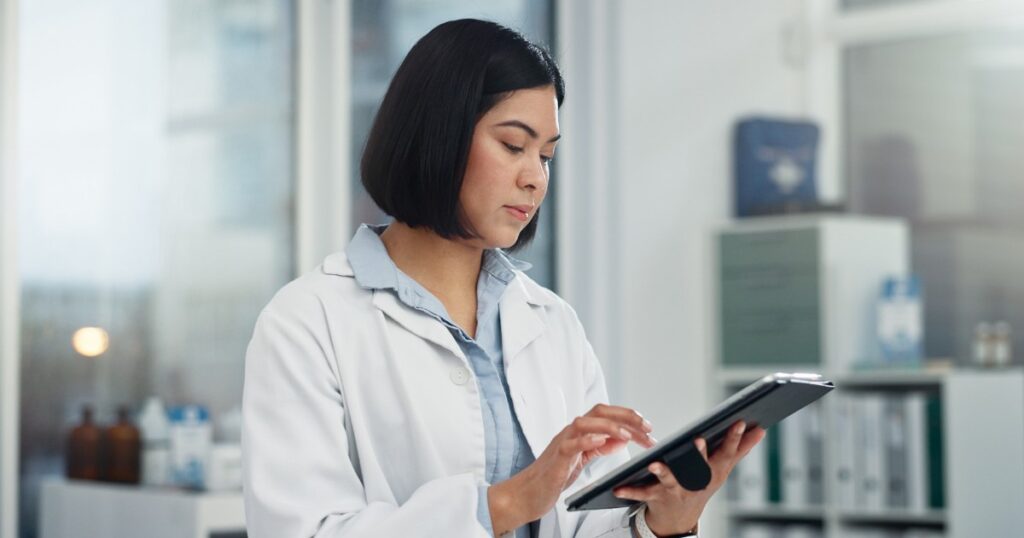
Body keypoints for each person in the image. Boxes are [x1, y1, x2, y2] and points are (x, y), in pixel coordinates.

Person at [241, 18, 764, 538]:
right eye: (514, 146)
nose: (535, 177)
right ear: (437, 135)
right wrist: (509, 501)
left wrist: (665, 521)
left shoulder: (550, 322)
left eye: (546, 155)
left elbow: (588, 526)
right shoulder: (307, 323)